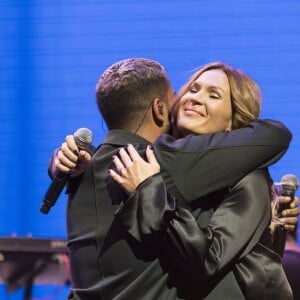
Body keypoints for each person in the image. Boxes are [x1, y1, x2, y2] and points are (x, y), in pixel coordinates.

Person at [49, 58, 292, 299]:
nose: (195, 97)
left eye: (214, 95)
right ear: (162, 108)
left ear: (232, 122)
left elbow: (212, 259)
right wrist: (64, 158)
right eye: (193, 89)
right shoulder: (152, 159)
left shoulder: (246, 178)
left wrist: (149, 190)